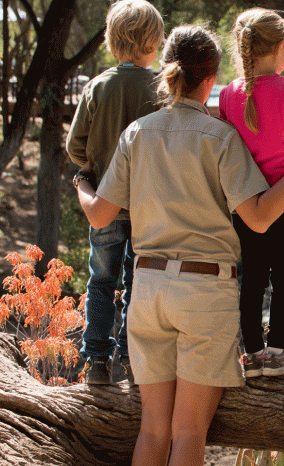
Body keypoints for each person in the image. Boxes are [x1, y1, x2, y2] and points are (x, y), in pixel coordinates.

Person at [74, 25, 284, 466]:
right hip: (205, 292)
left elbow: (101, 217)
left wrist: (82, 185)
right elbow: (261, 217)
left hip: (146, 291)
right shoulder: (219, 137)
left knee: (153, 431)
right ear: (212, 78)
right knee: (189, 435)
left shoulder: (136, 134)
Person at [219, 7, 284, 377]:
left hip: (245, 203)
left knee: (253, 276)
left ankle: (252, 354)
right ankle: (278, 351)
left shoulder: (230, 94)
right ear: (281, 47)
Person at [65, 0, 163, 385]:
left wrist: (92, 166)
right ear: (154, 43)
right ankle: (131, 360)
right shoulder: (159, 87)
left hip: (105, 201)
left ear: (111, 40)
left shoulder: (98, 86)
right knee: (139, 283)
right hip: (147, 208)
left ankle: (97, 364)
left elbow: (76, 146)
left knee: (101, 281)